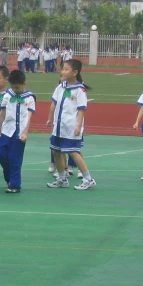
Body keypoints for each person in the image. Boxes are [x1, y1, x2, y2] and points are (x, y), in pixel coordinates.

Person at [46, 60, 96, 190]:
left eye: (66, 69)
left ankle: (88, 178)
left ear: (75, 72)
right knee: (56, 150)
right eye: (63, 69)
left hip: (71, 127)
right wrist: (50, 119)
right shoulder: (60, 87)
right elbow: (53, 104)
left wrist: (78, 126)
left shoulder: (80, 90)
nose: (63, 71)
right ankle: (62, 178)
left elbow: (81, 109)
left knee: (73, 152)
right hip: (58, 127)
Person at [0, 70, 36, 193]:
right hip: (7, 131)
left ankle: (15, 185)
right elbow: (2, 113)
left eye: (17, 87)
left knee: (15, 159)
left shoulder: (29, 98)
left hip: (19, 134)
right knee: (0, 153)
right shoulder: (7, 95)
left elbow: (29, 117)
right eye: (12, 87)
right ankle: (9, 178)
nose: (15, 89)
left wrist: (25, 133)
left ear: (24, 84)